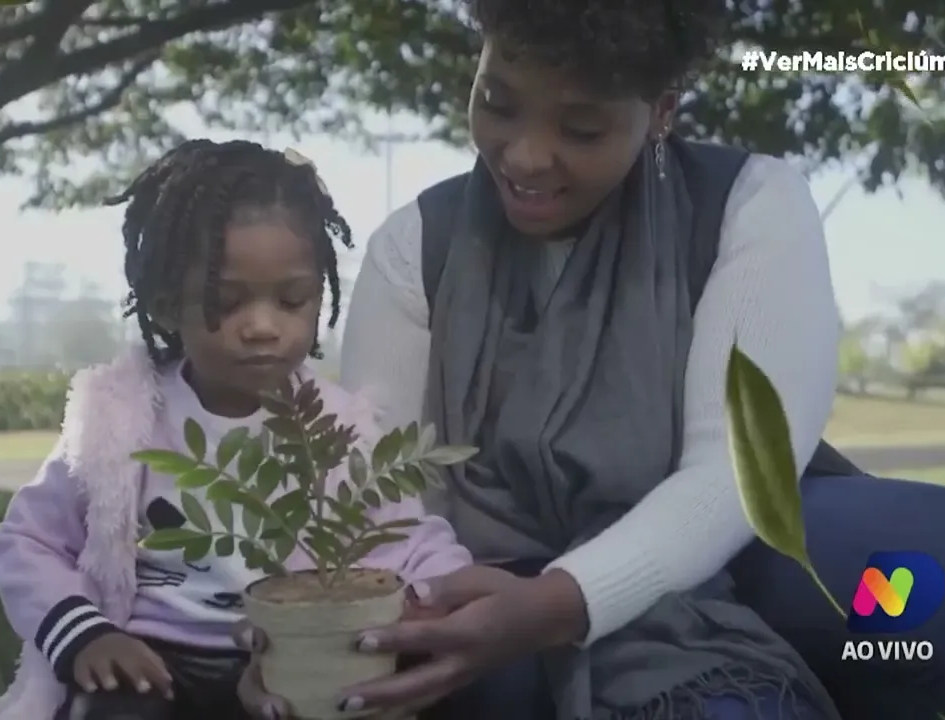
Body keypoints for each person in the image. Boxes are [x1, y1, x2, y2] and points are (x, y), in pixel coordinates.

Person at [233, 1, 846, 718]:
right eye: (497, 103)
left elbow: (737, 473)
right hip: (451, 607)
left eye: (581, 128)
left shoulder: (748, 205)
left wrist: (558, 604)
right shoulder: (415, 246)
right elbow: (376, 494)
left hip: (679, 615)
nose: (524, 155)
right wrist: (308, 643)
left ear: (661, 113)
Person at [0, 139, 472, 720]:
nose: (263, 327)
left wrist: (436, 596)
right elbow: (28, 541)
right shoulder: (115, 422)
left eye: (292, 300)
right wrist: (86, 636)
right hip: (153, 659)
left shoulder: (343, 432)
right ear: (166, 306)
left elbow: (409, 542)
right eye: (228, 301)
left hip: (282, 659)